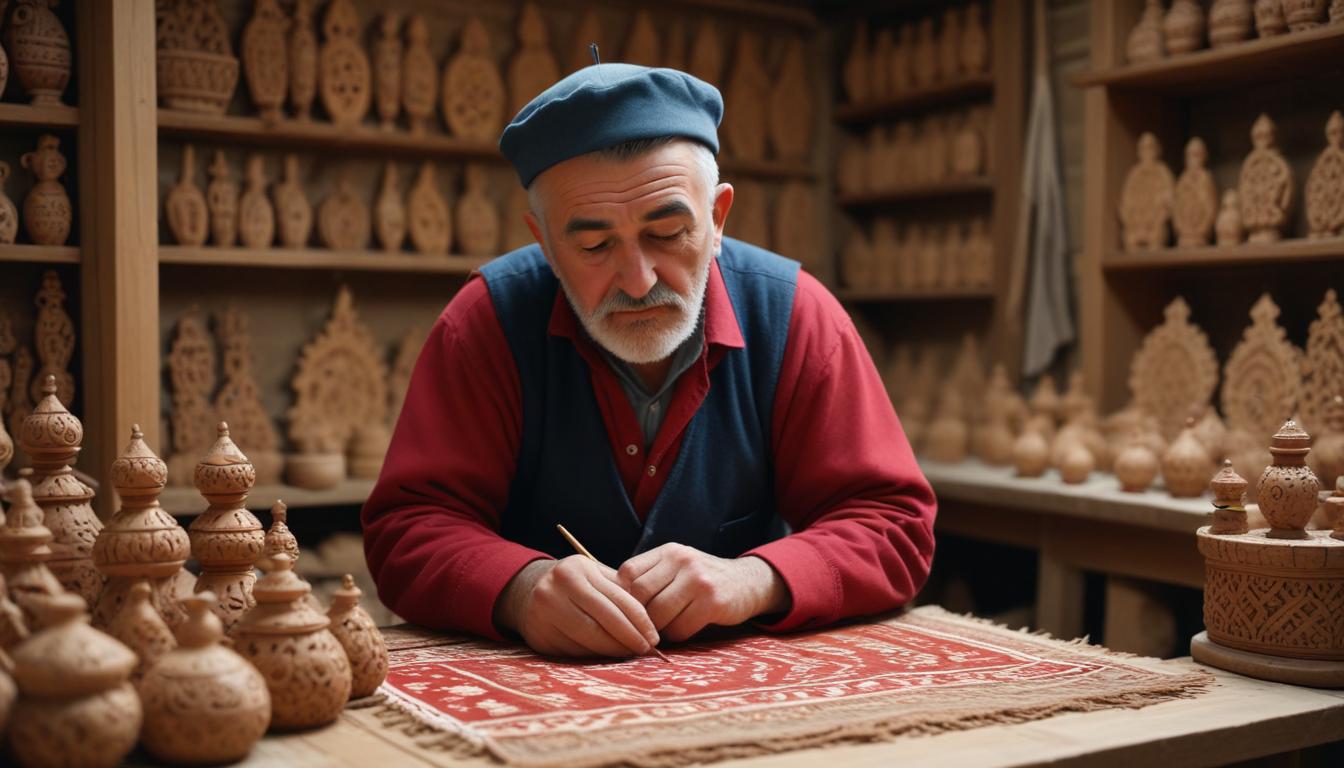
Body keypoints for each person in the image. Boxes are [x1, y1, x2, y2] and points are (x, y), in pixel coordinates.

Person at [362, 63, 936, 658]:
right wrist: (519, 587)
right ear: (547, 245)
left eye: (667, 233)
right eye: (593, 246)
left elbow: (894, 526)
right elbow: (407, 529)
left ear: (716, 219)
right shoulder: (487, 322)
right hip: (540, 695)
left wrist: (755, 580)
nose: (637, 282)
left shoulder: (794, 315)